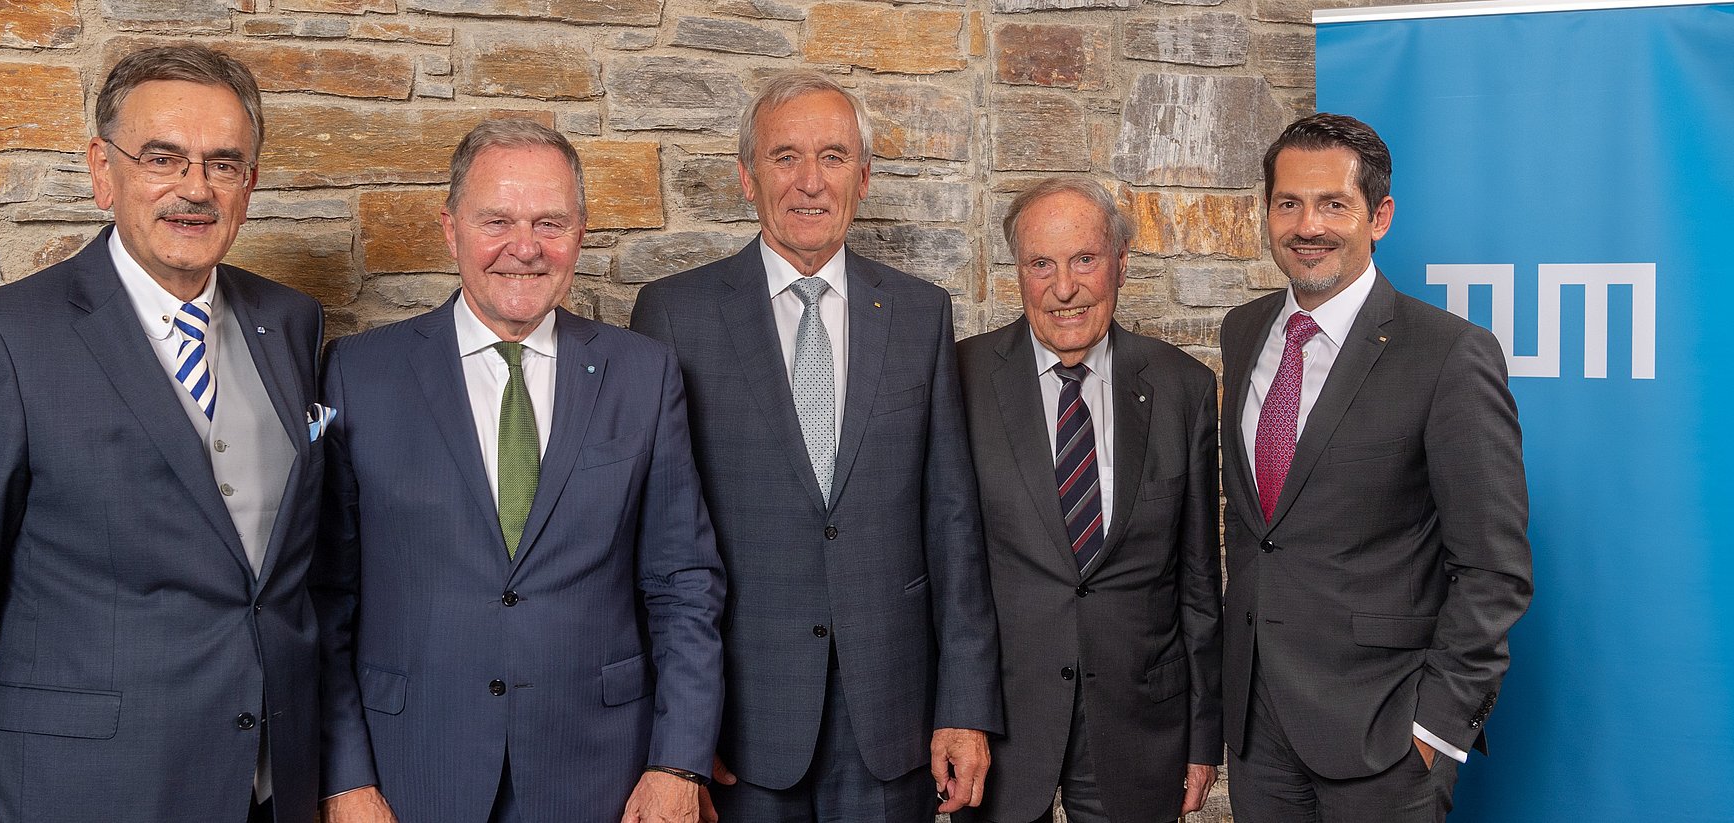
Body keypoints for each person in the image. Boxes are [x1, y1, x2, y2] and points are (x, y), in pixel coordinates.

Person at [0, 44, 323, 823]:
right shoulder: (0, 342)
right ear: (102, 170)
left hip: (267, 791)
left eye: (223, 164)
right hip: (84, 794)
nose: (196, 187)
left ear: (249, 185)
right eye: (163, 158)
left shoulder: (290, 323)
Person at [311, 119, 725, 823]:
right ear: (451, 230)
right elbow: (324, 598)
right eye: (497, 220)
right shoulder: (359, 373)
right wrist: (344, 779)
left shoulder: (643, 374)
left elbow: (683, 584)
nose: (525, 247)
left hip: (603, 776)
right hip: (412, 774)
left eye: (549, 223)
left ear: (581, 233)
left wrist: (677, 763)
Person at [629, 69, 1001, 822]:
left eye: (833, 157)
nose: (810, 181)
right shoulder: (674, 315)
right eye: (785, 156)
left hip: (893, 721)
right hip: (738, 725)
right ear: (747, 176)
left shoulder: (920, 314)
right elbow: (649, 540)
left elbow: (952, 524)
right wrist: (679, 734)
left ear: (862, 178)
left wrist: (964, 707)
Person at [1219, 112, 1532, 822]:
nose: (1308, 226)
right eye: (1289, 203)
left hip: (1384, 735)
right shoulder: (1244, 331)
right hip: (1257, 730)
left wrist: (1435, 730)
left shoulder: (1449, 354)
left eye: (1334, 204)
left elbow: (1494, 567)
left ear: (1379, 216)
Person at [953, 178, 1222, 823]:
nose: (1064, 288)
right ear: (1018, 273)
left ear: (1121, 264)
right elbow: (941, 569)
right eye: (1041, 264)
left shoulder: (1183, 388)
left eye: (1084, 260)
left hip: (1141, 727)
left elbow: (1198, 583)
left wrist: (1202, 737)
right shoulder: (961, 379)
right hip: (998, 724)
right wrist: (952, 715)